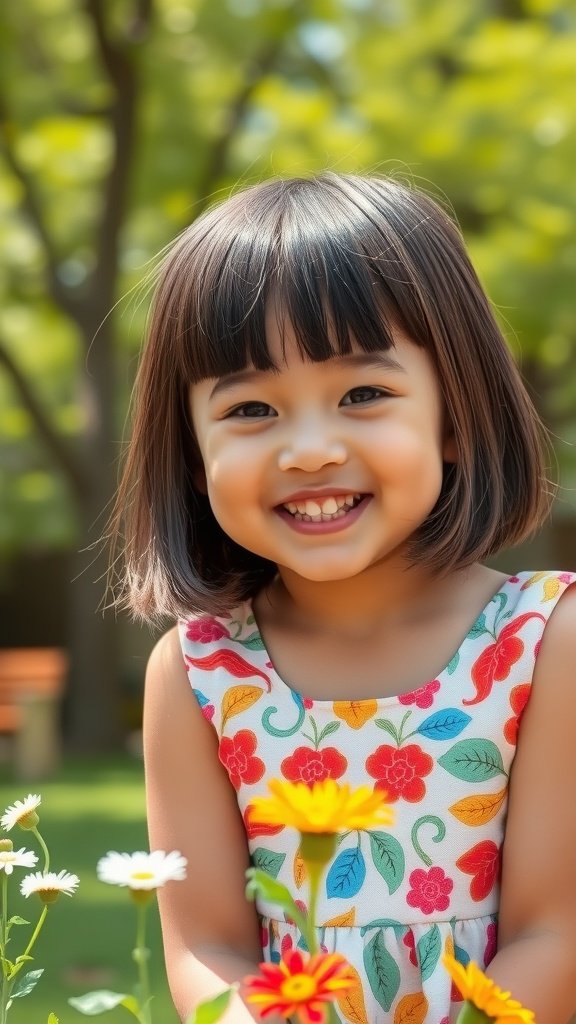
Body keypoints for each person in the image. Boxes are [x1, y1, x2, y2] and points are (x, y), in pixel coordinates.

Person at [113, 172, 576, 1023]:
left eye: (363, 395)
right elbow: (204, 944)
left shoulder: (547, 642)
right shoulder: (198, 673)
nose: (310, 451)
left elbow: (557, 933)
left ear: (455, 413)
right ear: (191, 452)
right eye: (250, 408)